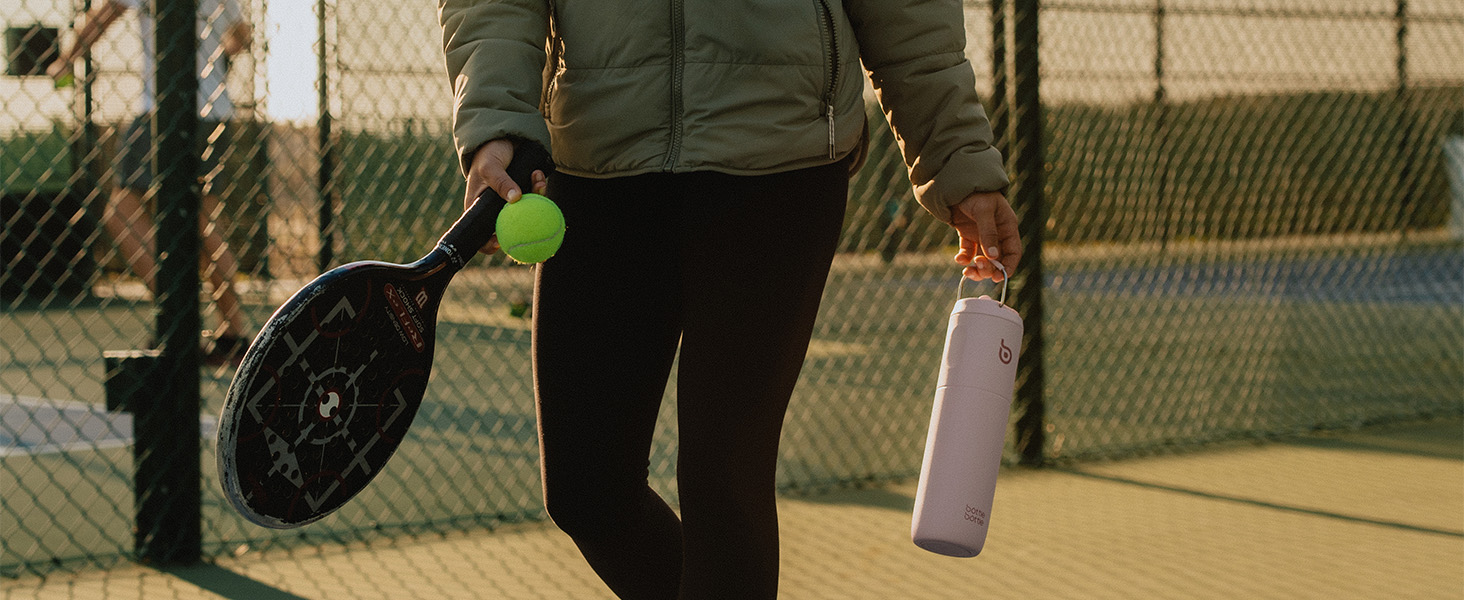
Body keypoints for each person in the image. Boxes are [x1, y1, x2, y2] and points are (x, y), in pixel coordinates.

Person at [439, 1, 1022, 598]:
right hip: (600, 154)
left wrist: (956, 156)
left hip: (778, 158)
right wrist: (497, 121)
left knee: (723, 482)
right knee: (587, 490)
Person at [49, 0, 253, 365]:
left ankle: (180, 315)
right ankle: (233, 333)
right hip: (215, 111)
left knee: (120, 212)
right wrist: (214, 59)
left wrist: (66, 58)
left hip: (164, 106)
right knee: (202, 221)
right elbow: (242, 34)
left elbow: (103, 15)